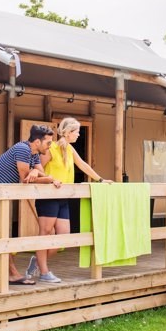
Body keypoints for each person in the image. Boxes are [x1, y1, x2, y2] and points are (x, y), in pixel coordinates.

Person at [0, 124, 62, 288]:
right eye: (48, 143)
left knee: (4, 236)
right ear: (37, 142)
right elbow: (25, 178)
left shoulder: (34, 154)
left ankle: (13, 274)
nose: (50, 146)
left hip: (2, 194)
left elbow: (39, 173)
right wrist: (47, 178)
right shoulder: (22, 149)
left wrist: (36, 172)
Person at [26, 117, 109, 282]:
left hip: (63, 198)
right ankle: (44, 272)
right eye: (77, 132)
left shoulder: (69, 149)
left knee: (64, 236)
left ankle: (38, 261)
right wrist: (50, 179)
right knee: (45, 233)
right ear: (68, 132)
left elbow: (83, 165)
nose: (78, 135)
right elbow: (37, 168)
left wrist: (100, 180)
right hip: (48, 197)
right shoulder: (51, 148)